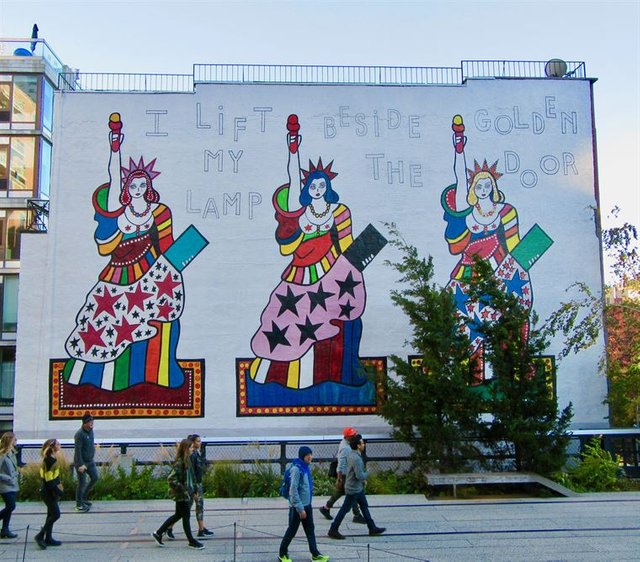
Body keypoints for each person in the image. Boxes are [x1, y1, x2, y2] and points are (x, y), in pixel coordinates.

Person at [63, 112, 188, 390]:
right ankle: (94, 376)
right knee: (102, 319)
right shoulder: (118, 215)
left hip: (151, 273)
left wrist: (176, 263)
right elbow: (113, 179)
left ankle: (156, 372)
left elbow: (167, 247)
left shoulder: (160, 212)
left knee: (164, 317)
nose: (138, 189)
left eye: (143, 184)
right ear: (126, 188)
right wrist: (115, 148)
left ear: (149, 186)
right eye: (133, 185)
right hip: (117, 276)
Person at [249, 114, 369, 390]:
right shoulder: (300, 215)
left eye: (321, 185)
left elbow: (348, 248)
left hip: (331, 273)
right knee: (281, 317)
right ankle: (273, 373)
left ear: (328, 188)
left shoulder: (339, 212)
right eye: (312, 185)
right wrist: (294, 149)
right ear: (306, 189)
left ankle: (340, 372)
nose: (317, 189)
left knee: (346, 318)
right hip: (298, 277)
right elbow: (293, 180)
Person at [442, 122, 532, 382]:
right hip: (468, 275)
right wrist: (459, 150)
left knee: (507, 320)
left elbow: (513, 246)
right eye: (478, 186)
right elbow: (460, 178)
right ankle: (474, 375)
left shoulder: (506, 211)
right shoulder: (469, 215)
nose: (482, 190)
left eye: (486, 185)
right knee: (463, 319)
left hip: (499, 273)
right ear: (473, 190)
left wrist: (511, 270)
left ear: (493, 187)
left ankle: (512, 372)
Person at [328, 434, 385, 540]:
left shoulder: (351, 454)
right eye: (362, 443)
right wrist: (368, 473)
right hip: (353, 489)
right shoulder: (356, 458)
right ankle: (333, 529)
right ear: (358, 446)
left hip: (356, 488)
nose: (364, 444)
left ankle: (372, 527)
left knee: (364, 506)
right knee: (345, 509)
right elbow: (359, 475)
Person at [278, 446, 329, 562]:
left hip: (307, 505)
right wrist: (300, 509)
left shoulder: (305, 467)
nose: (310, 457)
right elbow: (293, 490)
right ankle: (282, 554)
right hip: (297, 507)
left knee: (310, 530)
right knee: (292, 530)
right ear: (302, 456)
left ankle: (315, 554)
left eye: (311, 454)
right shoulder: (297, 469)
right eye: (308, 455)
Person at [152, 439, 204, 550]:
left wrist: (194, 491)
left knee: (178, 515)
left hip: (187, 493)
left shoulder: (187, 460)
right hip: (182, 495)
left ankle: (159, 533)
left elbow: (192, 477)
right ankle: (191, 541)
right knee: (186, 517)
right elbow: (171, 479)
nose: (192, 449)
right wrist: (184, 490)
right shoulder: (180, 462)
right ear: (185, 449)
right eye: (190, 447)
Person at [166, 434, 214, 541]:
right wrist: (189, 488)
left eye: (200, 441)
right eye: (197, 441)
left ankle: (201, 529)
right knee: (185, 510)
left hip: (196, 484)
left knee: (196, 507)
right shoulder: (190, 456)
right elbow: (189, 473)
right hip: (192, 485)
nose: (200, 443)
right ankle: (169, 528)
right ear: (192, 443)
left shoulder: (197, 453)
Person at [319, 427, 365, 524]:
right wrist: (339, 478)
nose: (354, 436)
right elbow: (341, 464)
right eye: (352, 435)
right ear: (347, 437)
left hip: (345, 474)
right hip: (345, 474)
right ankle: (357, 515)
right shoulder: (346, 448)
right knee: (352, 493)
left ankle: (326, 508)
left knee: (340, 492)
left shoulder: (345, 443)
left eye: (354, 434)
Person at [35, 438, 64, 549]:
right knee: (56, 514)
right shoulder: (49, 460)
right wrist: (57, 491)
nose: (59, 445)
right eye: (57, 444)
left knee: (50, 515)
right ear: (52, 447)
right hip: (48, 491)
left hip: (50, 490)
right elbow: (48, 479)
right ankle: (40, 535)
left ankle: (48, 538)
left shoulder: (51, 458)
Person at [74, 411, 98, 512]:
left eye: (92, 421)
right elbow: (78, 450)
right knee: (82, 482)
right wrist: (80, 464)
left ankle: (84, 497)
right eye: (90, 421)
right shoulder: (79, 434)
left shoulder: (91, 431)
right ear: (85, 423)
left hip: (90, 461)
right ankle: (79, 504)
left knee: (95, 478)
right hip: (82, 462)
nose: (92, 423)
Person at [0, 432, 19, 539]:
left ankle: (5, 529)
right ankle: (5, 529)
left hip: (12, 484)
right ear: (9, 440)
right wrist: (7, 478)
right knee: (11, 506)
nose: (16, 441)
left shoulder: (12, 453)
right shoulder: (2, 454)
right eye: (14, 439)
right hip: (5, 484)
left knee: (9, 507)